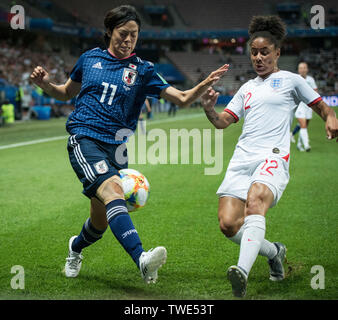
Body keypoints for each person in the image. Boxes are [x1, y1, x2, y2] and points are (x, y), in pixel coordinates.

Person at [30, 5, 228, 284]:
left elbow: (181, 98)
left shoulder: (143, 70)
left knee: (99, 223)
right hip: (85, 138)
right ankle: (142, 260)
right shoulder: (89, 59)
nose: (128, 40)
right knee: (113, 192)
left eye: (134, 35)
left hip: (117, 149)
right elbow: (64, 93)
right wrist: (45, 84)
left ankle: (75, 248)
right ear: (109, 31)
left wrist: (203, 83)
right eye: (123, 33)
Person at [201, 15, 337, 298]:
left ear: (277, 52)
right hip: (242, 159)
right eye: (254, 52)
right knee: (228, 224)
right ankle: (275, 252)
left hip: (273, 156)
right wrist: (209, 109)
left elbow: (322, 107)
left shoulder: (291, 80)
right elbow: (223, 122)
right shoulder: (246, 88)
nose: (259, 57)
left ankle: (242, 272)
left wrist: (331, 117)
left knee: (255, 202)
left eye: (265, 52)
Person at [290, 62, 318, 151]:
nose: (302, 69)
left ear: (307, 69)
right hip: (299, 106)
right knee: (303, 125)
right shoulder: (295, 79)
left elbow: (315, 92)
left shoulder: (311, 80)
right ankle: (307, 146)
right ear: (298, 70)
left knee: (304, 125)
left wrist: (315, 105)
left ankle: (298, 144)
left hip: (308, 106)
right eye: (301, 68)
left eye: (304, 67)